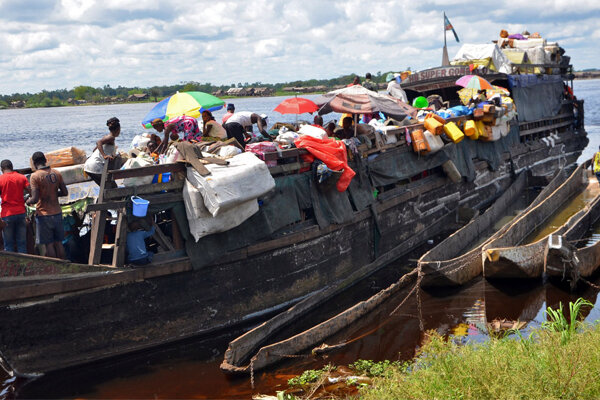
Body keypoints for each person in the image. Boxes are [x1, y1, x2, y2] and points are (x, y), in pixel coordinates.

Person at [26, 151, 68, 259]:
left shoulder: (35, 176)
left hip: (44, 215)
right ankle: (64, 265)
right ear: (45, 160)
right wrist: (53, 193)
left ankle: (54, 268)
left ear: (34, 163)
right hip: (57, 213)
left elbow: (35, 199)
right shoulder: (56, 173)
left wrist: (27, 201)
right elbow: (65, 192)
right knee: (59, 243)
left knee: (49, 244)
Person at [0, 159, 30, 253]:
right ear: (12, 167)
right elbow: (31, 192)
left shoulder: (0, 179)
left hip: (7, 215)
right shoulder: (22, 177)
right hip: (21, 213)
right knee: (22, 244)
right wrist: (26, 200)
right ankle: (24, 266)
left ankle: (11, 267)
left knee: (8, 245)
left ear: (1, 169)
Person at [84, 117, 122, 187]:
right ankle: (107, 197)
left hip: (88, 166)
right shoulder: (111, 137)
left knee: (105, 187)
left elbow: (95, 149)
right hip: (95, 167)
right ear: (118, 129)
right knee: (111, 187)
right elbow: (99, 142)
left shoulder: (107, 137)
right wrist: (104, 155)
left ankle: (103, 198)